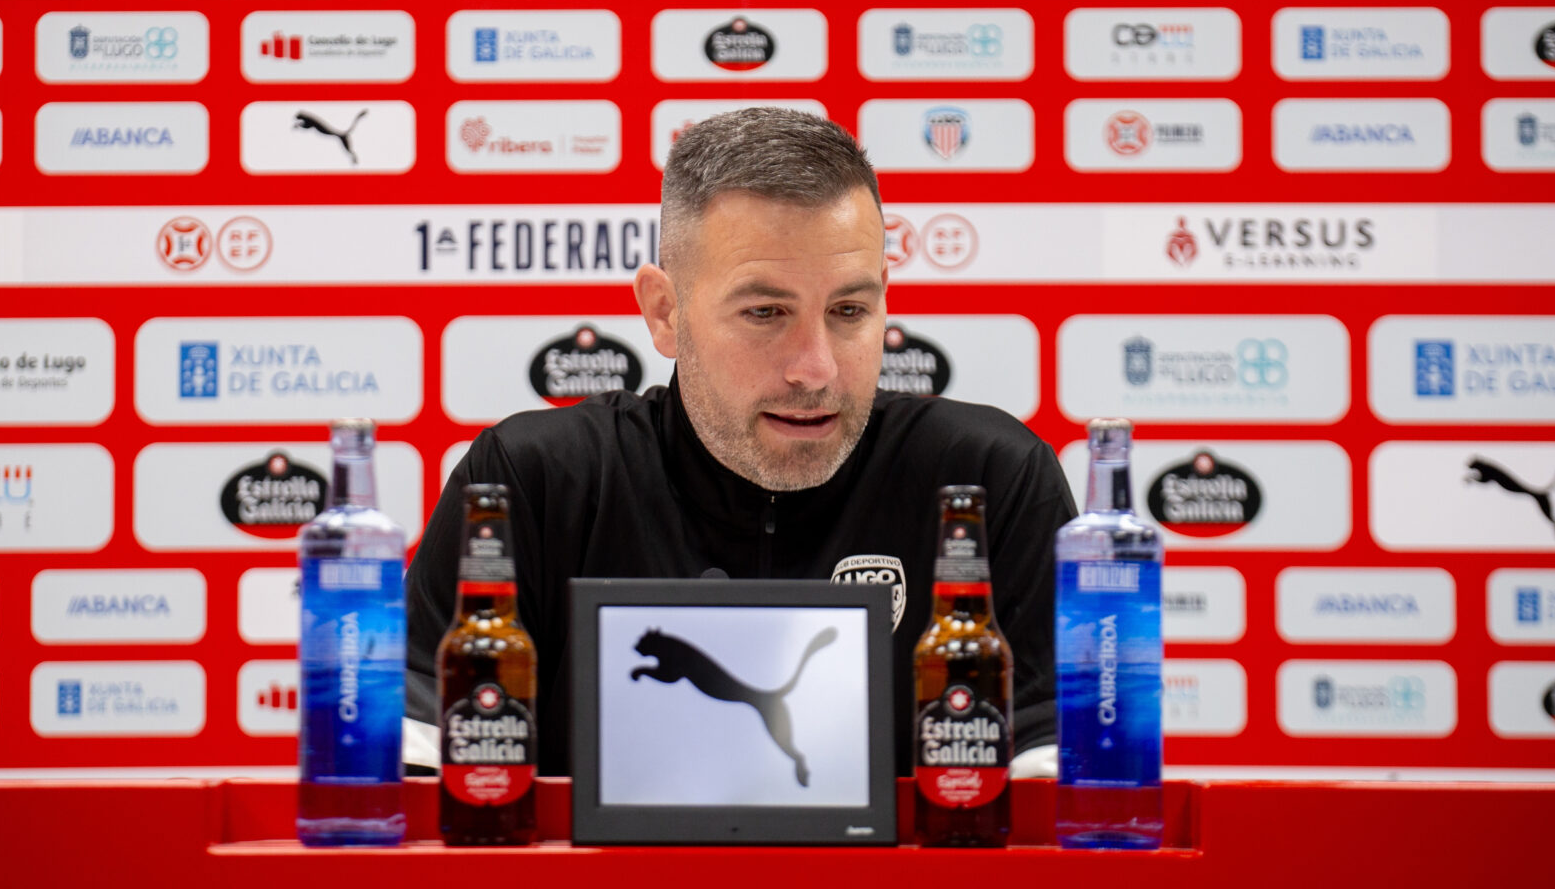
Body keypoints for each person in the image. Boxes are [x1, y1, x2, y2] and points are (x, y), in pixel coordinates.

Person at [404, 107, 1074, 778]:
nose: (815, 369)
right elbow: (414, 757)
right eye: (765, 313)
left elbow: (1060, 778)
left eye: (848, 311)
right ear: (665, 312)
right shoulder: (531, 483)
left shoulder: (987, 483)